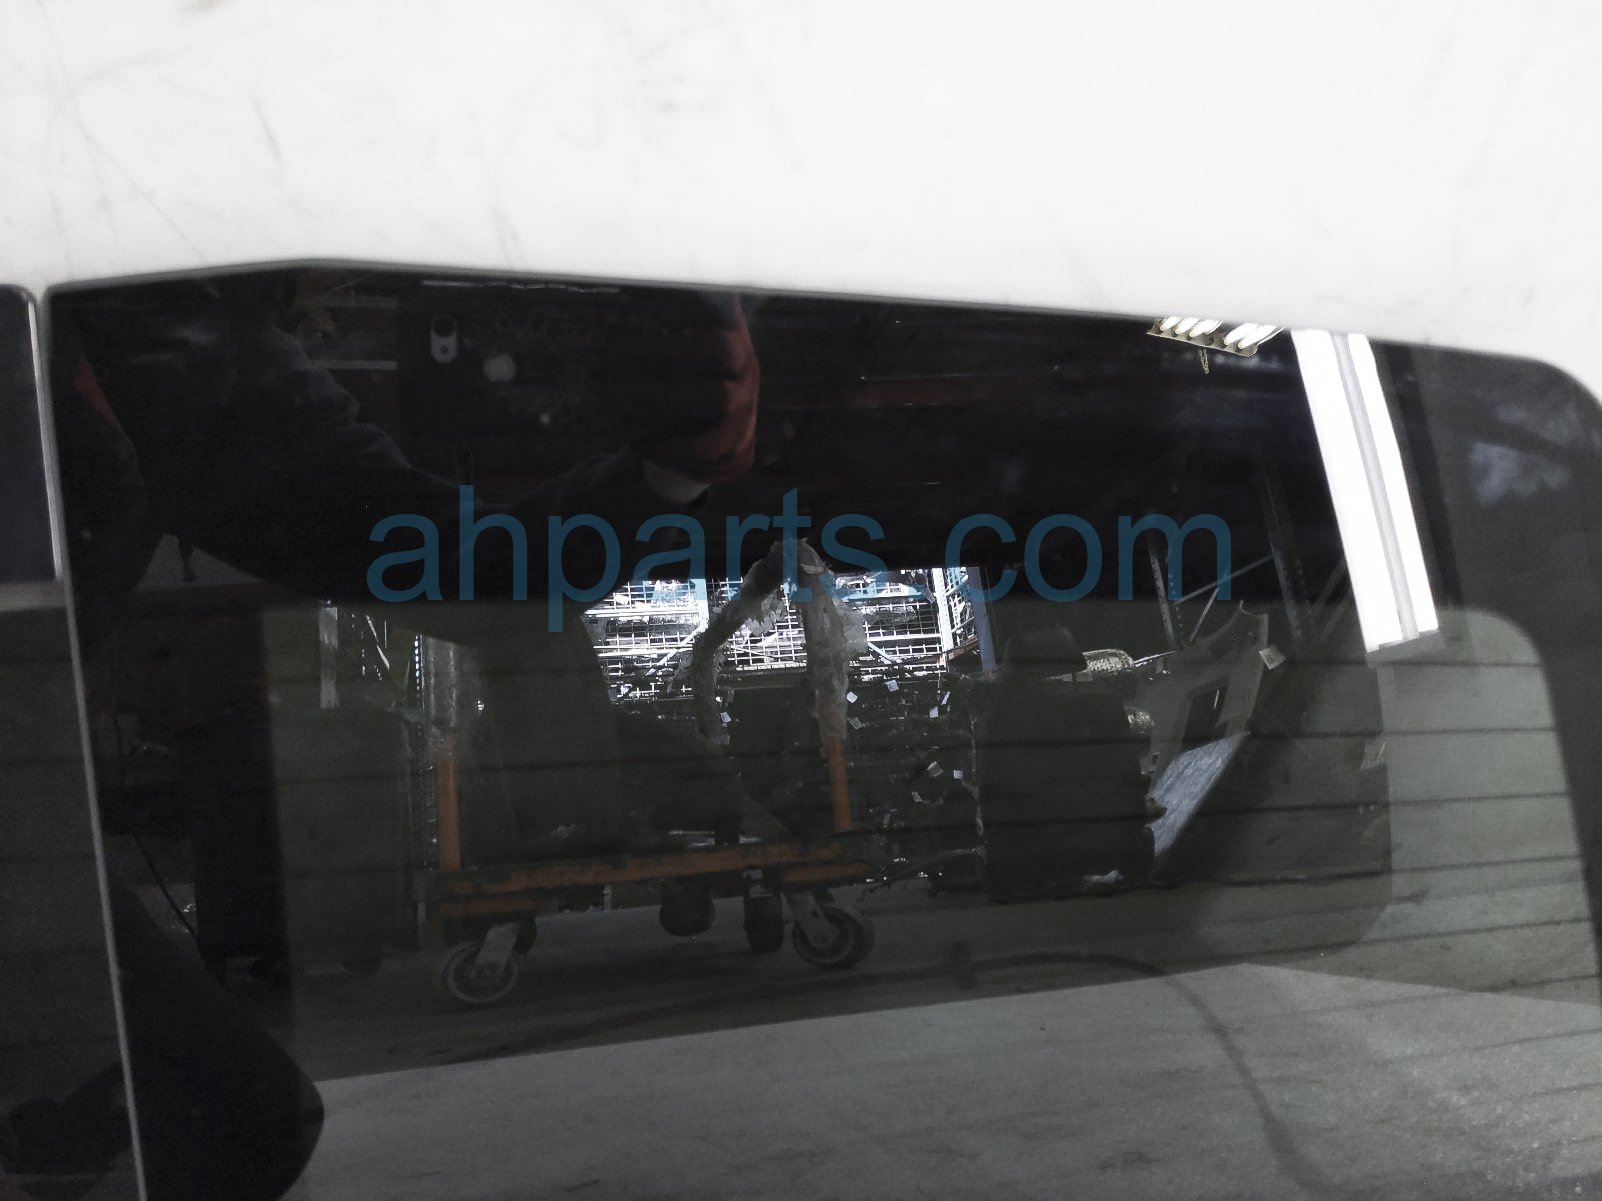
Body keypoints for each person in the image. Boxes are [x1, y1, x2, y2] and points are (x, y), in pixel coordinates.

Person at [24, 273, 761, 1201]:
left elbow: (447, 561)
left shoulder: (196, 367)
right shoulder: (137, 339)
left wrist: (670, 471)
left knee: (226, 1117)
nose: (341, 286)